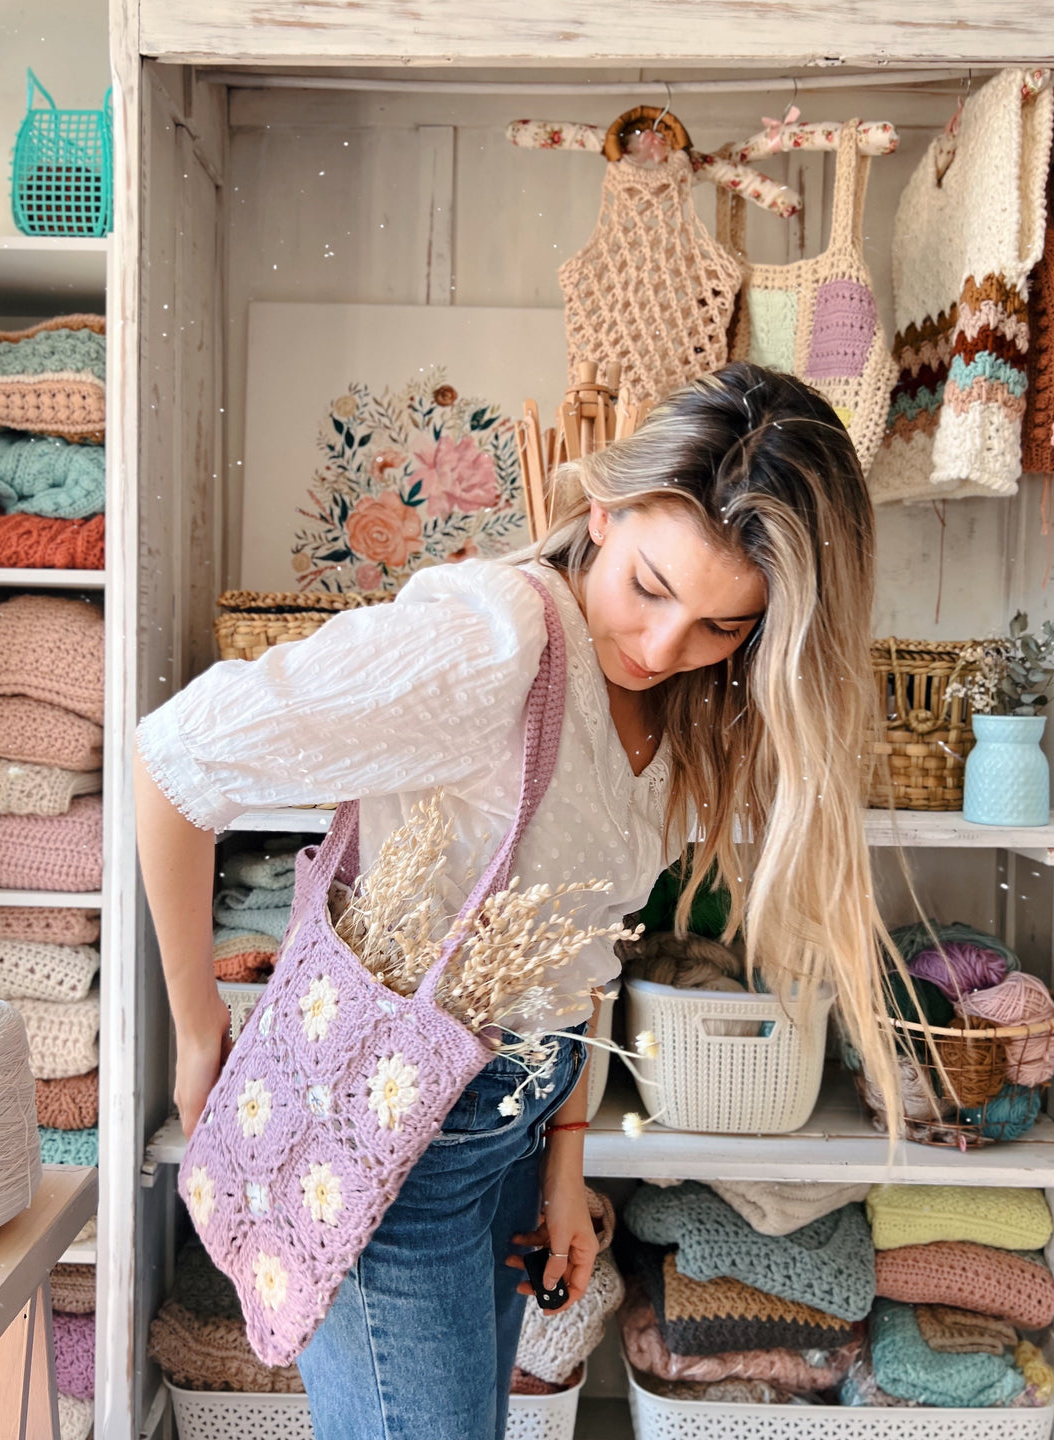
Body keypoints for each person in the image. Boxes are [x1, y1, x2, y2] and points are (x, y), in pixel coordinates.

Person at [133, 360, 901, 1440]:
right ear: (605, 506)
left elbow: (585, 949)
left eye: (727, 628)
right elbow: (172, 762)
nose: (663, 648)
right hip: (391, 1155)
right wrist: (197, 1029)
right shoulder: (494, 641)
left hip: (510, 1137)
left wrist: (564, 1159)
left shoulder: (679, 706)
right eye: (649, 587)